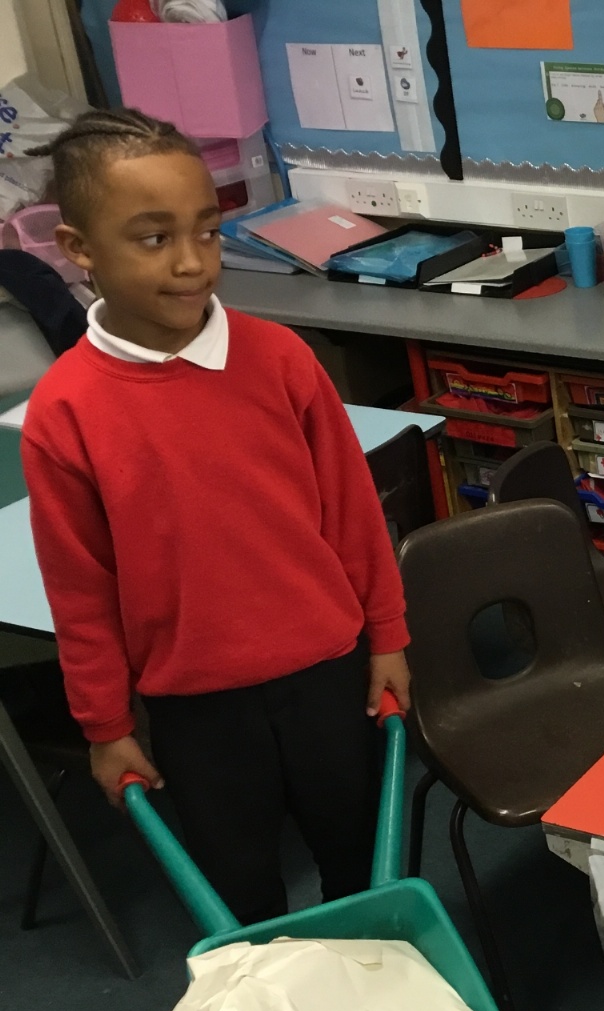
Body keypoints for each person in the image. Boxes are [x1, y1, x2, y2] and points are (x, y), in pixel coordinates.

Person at [22, 109, 411, 926]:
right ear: (79, 248)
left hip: (325, 674)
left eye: (206, 230)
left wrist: (387, 636)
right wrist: (105, 725)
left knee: (363, 870)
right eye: (153, 238)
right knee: (242, 899)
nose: (193, 262)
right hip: (197, 706)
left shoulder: (281, 360)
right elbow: (80, 590)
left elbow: (353, 516)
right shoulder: (65, 411)